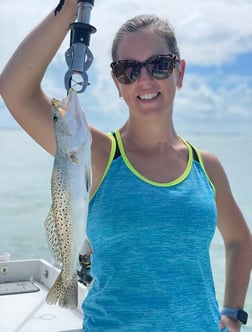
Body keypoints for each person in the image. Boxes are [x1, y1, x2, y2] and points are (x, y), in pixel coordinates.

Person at [0, 1, 251, 331]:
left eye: (159, 65)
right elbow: (15, 91)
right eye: (129, 70)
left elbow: (239, 240)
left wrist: (233, 313)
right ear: (117, 84)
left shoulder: (207, 167)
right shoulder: (99, 153)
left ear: (180, 72)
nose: (144, 79)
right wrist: (71, 7)